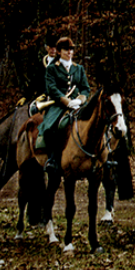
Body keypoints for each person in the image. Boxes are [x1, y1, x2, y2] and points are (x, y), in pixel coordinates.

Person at [36, 36, 89, 170]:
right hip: (58, 105)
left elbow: (85, 88)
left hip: (78, 104)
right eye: (66, 49)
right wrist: (67, 102)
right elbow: (51, 88)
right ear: (59, 51)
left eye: (71, 49)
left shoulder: (79, 68)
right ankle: (52, 159)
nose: (69, 52)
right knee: (50, 127)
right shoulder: (52, 69)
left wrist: (80, 100)